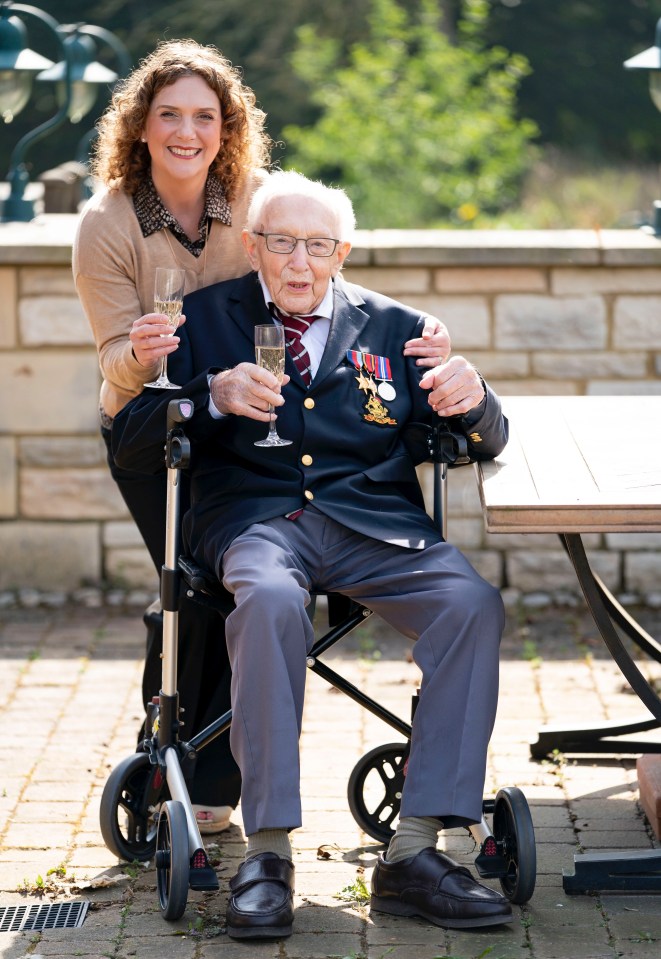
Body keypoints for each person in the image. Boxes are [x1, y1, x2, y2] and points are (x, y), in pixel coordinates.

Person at [112, 170, 511, 938]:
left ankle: (417, 849)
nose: (300, 262)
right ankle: (266, 852)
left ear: (342, 251)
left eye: (317, 245)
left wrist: (476, 395)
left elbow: (475, 437)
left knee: (471, 603)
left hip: (374, 525)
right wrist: (207, 393)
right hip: (254, 523)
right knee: (266, 599)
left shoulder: (400, 329)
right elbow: (135, 443)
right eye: (283, 242)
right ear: (255, 246)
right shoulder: (198, 318)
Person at [72, 40, 452, 833]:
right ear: (140, 126)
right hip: (154, 418)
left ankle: (211, 771)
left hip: (261, 417)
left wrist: (409, 331)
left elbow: (315, 264)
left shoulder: (248, 198)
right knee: (194, 587)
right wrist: (145, 356)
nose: (186, 132)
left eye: (203, 117)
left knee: (236, 584)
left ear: (226, 127)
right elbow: (111, 360)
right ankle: (181, 755)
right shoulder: (106, 224)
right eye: (169, 115)